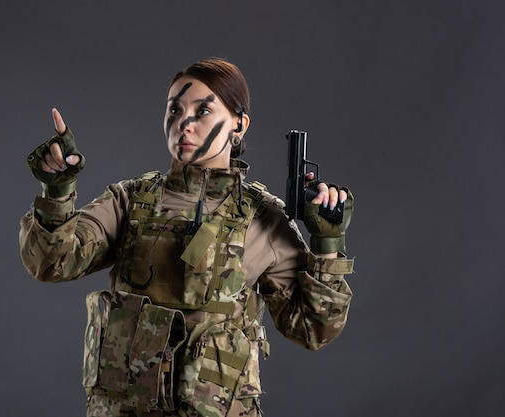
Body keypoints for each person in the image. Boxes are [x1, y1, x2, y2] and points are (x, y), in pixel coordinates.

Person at [19, 58, 355, 417]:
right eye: (175, 109)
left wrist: (327, 246)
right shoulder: (130, 200)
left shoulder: (263, 219)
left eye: (204, 110)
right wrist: (57, 192)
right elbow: (51, 263)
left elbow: (313, 329)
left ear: (238, 125)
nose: (184, 123)